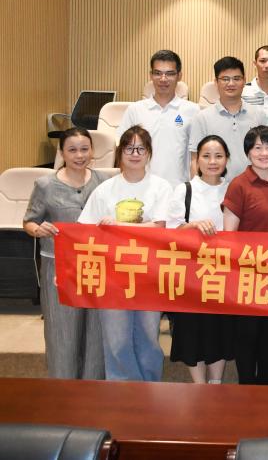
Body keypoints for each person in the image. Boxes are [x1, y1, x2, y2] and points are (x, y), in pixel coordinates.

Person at [78, 126, 174, 382]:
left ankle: (149, 387)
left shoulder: (161, 187)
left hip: (149, 273)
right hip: (112, 276)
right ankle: (122, 389)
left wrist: (117, 226)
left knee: (148, 336)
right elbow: (84, 231)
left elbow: (160, 228)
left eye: (141, 148)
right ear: (120, 152)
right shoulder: (105, 189)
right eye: (129, 148)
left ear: (149, 153)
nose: (135, 154)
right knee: (116, 338)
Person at [23, 128, 107, 380]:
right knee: (61, 332)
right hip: (58, 266)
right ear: (61, 153)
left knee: (96, 332)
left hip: (95, 266)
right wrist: (38, 229)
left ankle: (93, 388)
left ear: (92, 151)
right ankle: (63, 390)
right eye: (72, 150)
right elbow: (29, 221)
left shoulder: (104, 182)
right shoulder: (45, 185)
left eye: (84, 149)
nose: (79, 155)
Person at [222, 126, 268, 385]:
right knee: (247, 335)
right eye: (257, 148)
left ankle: (266, 386)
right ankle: (247, 389)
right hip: (246, 275)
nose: (264, 153)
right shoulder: (238, 185)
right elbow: (229, 235)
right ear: (248, 153)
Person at [166, 134, 234, 385]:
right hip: (191, 274)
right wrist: (193, 226)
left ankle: (216, 383)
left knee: (220, 329)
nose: (212, 162)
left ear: (227, 160)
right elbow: (170, 231)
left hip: (224, 274)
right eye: (206, 156)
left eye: (218, 156)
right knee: (191, 329)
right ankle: (199, 385)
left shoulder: (233, 189)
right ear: (196, 160)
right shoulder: (184, 190)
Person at [117, 50, 199, 186]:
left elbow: (196, 157)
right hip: (141, 188)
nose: (163, 79)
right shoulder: (135, 110)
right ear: (151, 75)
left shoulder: (193, 110)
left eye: (170, 73)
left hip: (177, 189)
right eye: (158, 73)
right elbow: (123, 152)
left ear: (179, 76)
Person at [189, 56, 268, 181]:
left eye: (236, 78)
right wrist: (199, 189)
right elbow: (195, 160)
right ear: (216, 82)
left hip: (253, 186)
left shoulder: (259, 115)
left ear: (244, 81)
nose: (231, 84)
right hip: (215, 187)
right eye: (225, 79)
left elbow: (267, 154)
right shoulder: (202, 118)